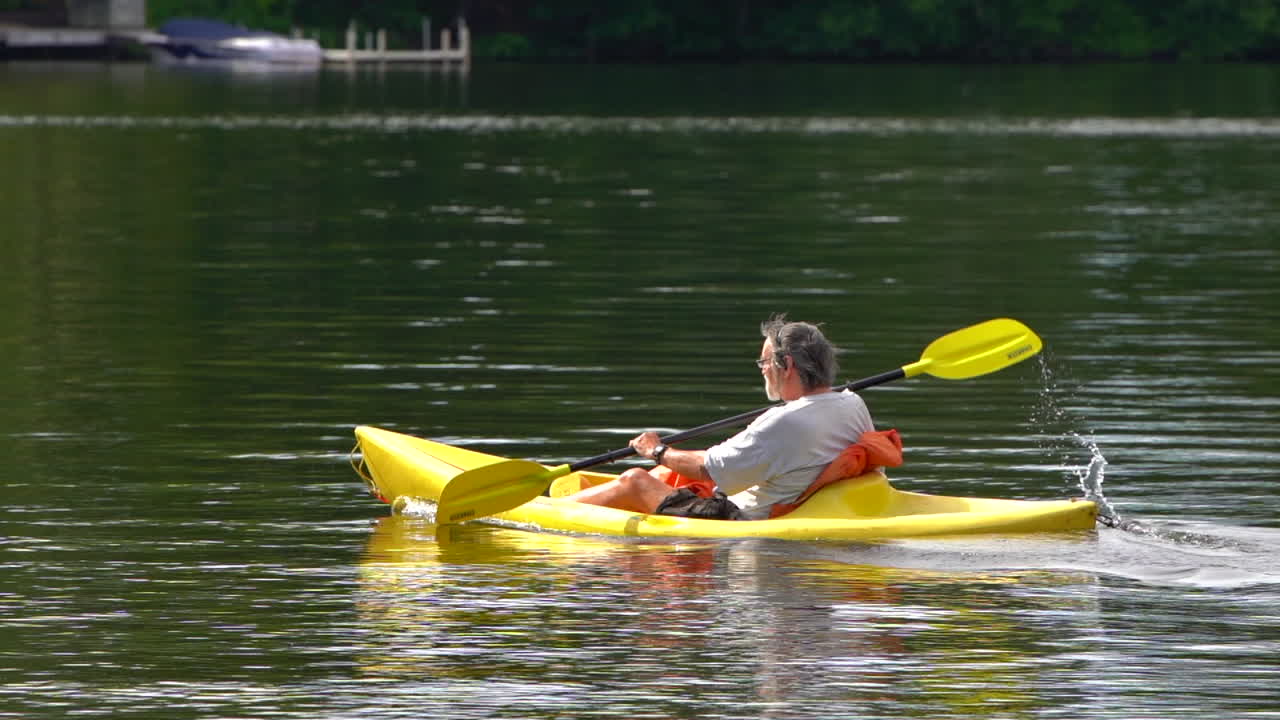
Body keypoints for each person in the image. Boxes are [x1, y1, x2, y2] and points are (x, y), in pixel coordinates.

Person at [567, 315, 876, 520]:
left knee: (634, 480)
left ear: (788, 365)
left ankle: (536, 512)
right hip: (799, 502)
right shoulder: (852, 403)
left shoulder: (783, 422)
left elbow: (707, 469)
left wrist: (657, 451)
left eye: (764, 361)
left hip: (736, 520)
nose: (762, 369)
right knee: (671, 475)